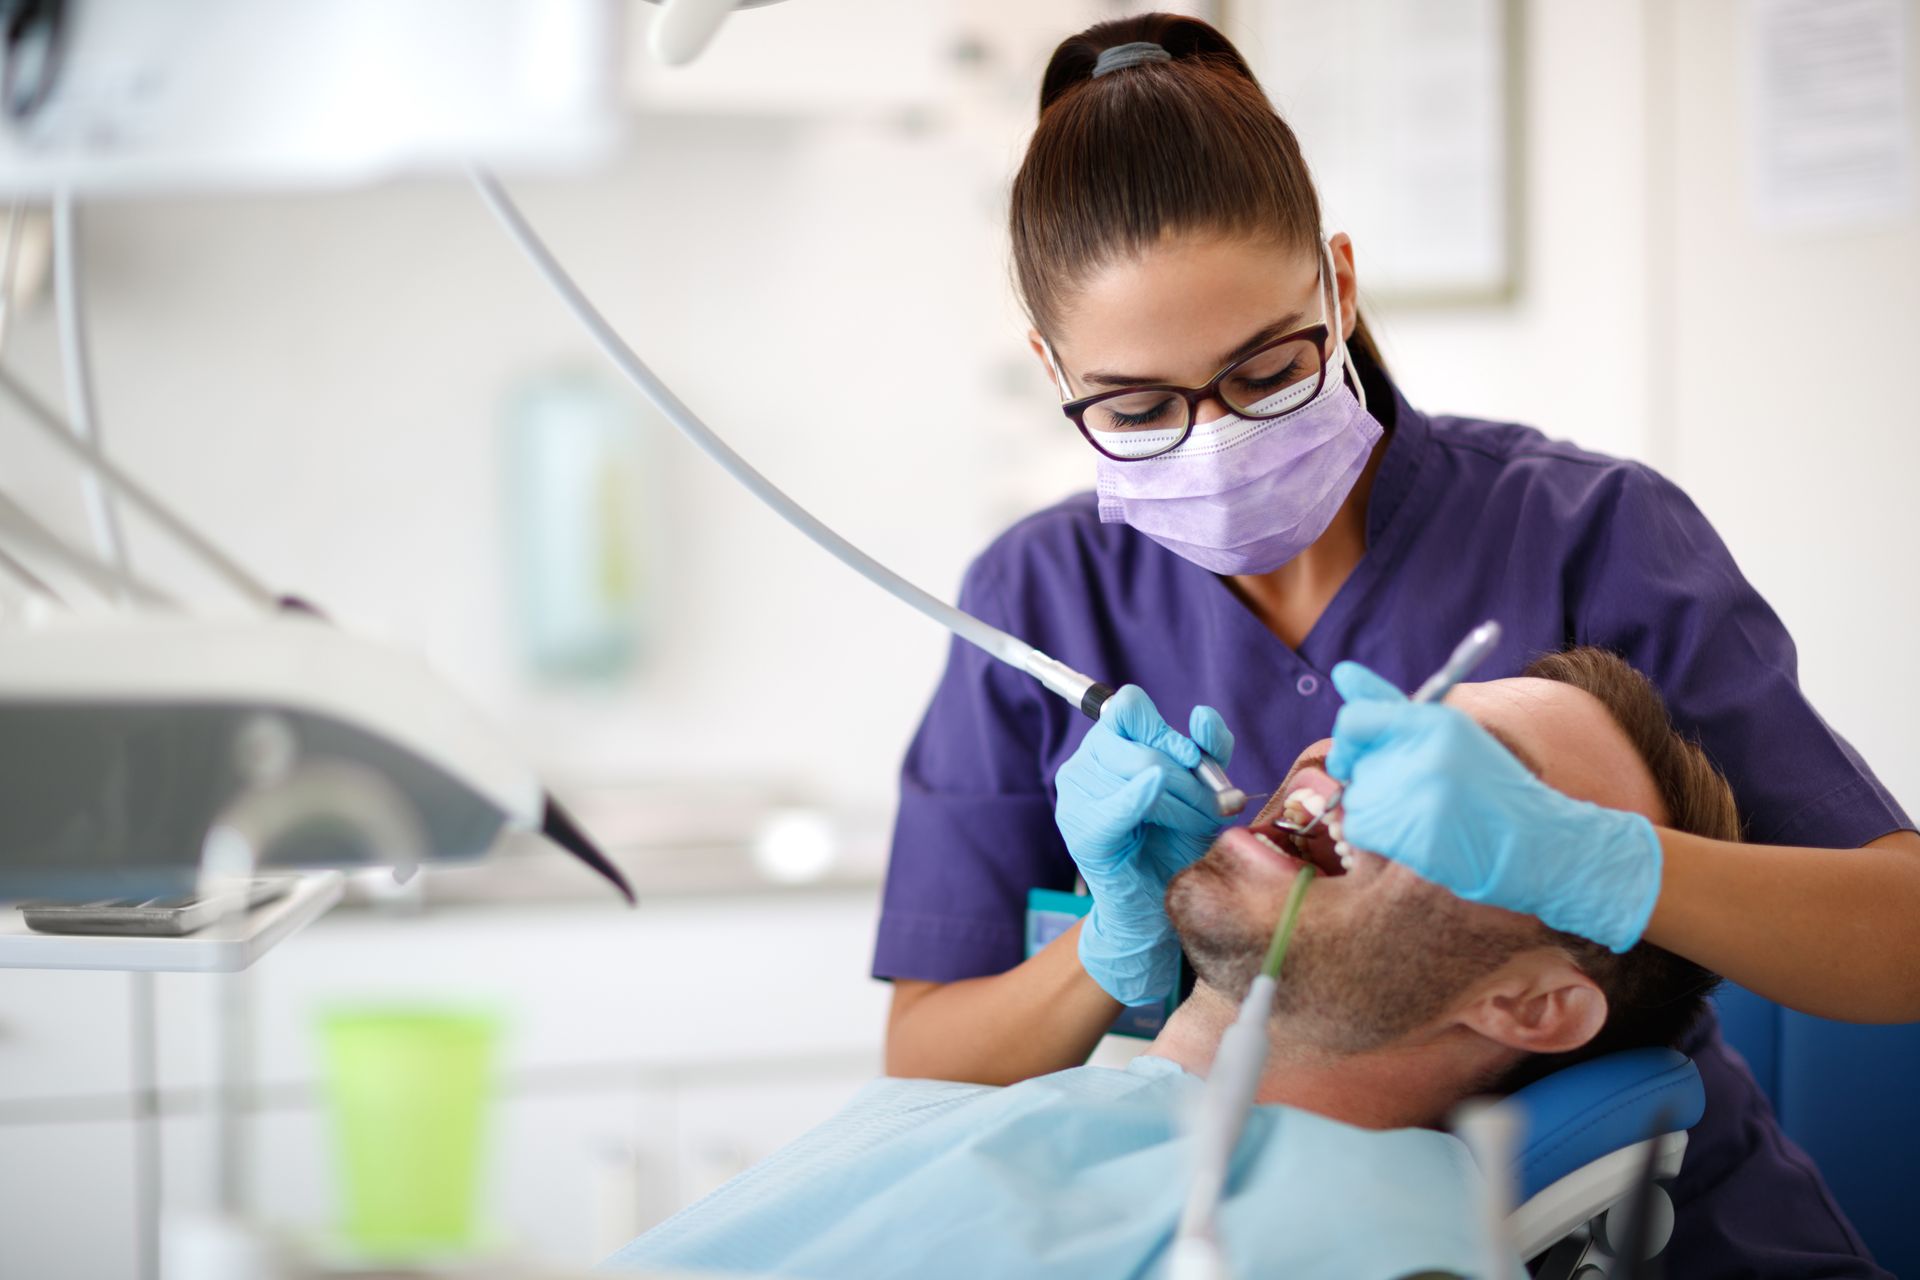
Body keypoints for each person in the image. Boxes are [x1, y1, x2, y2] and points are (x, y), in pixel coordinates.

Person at [877, 14, 1914, 1278]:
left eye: (1265, 371)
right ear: (1051, 369)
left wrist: (1608, 865)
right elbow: (927, 1055)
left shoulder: (1587, 534)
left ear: (1341, 285)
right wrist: (1108, 949)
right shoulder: (1038, 596)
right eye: (1139, 407)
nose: (1217, 438)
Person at [613, 652, 1730, 1278]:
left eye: (1474, 778)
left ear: (1529, 1002)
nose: (1351, 752)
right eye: (1400, 719)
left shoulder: (1369, 1243)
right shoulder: (1017, 1107)